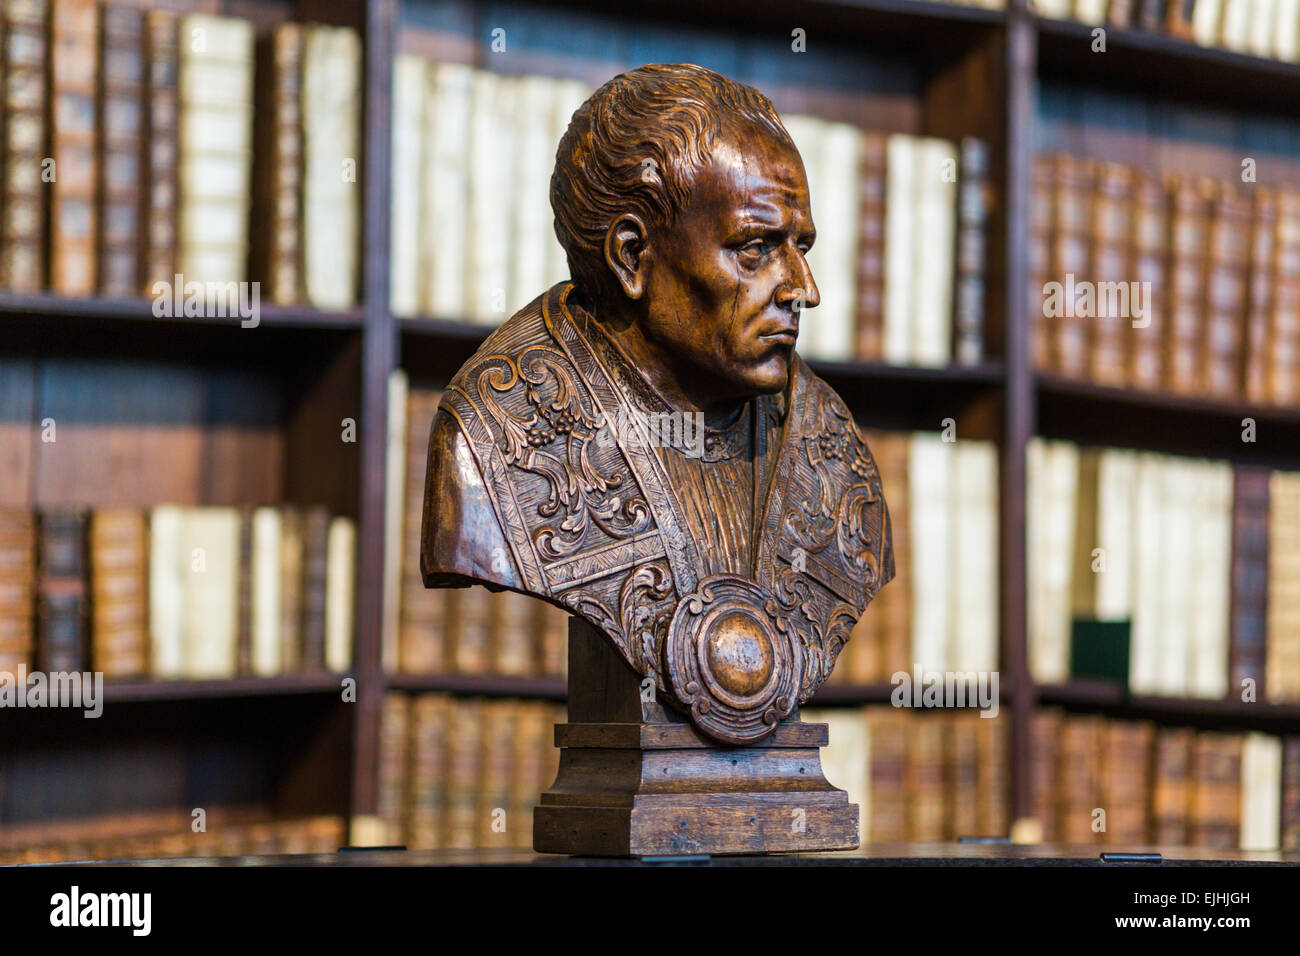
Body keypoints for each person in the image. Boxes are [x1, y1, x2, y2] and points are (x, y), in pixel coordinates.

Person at [421, 63, 892, 745]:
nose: (804, 289)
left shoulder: (831, 444)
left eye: (802, 247)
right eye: (756, 248)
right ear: (633, 256)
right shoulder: (497, 432)